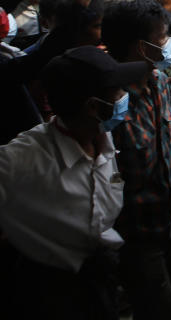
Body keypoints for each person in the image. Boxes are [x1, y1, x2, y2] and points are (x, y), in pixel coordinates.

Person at [1, 46, 151, 319]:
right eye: (117, 92)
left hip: (99, 276)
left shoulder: (105, 139)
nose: (124, 97)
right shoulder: (22, 158)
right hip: (47, 293)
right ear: (93, 107)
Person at [101, 0, 171, 320]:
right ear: (138, 46)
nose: (167, 45)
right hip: (135, 237)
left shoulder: (157, 82)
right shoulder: (107, 103)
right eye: (161, 39)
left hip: (170, 222)